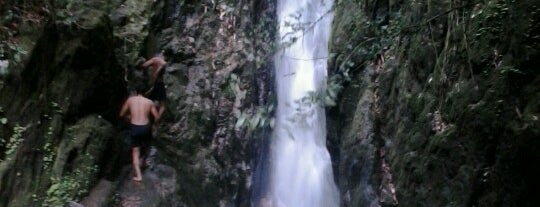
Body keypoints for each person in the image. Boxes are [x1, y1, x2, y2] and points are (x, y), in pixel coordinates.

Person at [119, 82, 160, 182]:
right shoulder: (149, 102)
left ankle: (139, 176)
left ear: (136, 91)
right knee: (147, 145)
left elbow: (121, 114)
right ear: (146, 91)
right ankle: (145, 162)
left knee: (135, 151)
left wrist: (129, 117)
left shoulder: (130, 100)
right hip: (146, 127)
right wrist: (154, 125)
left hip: (135, 127)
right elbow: (157, 117)